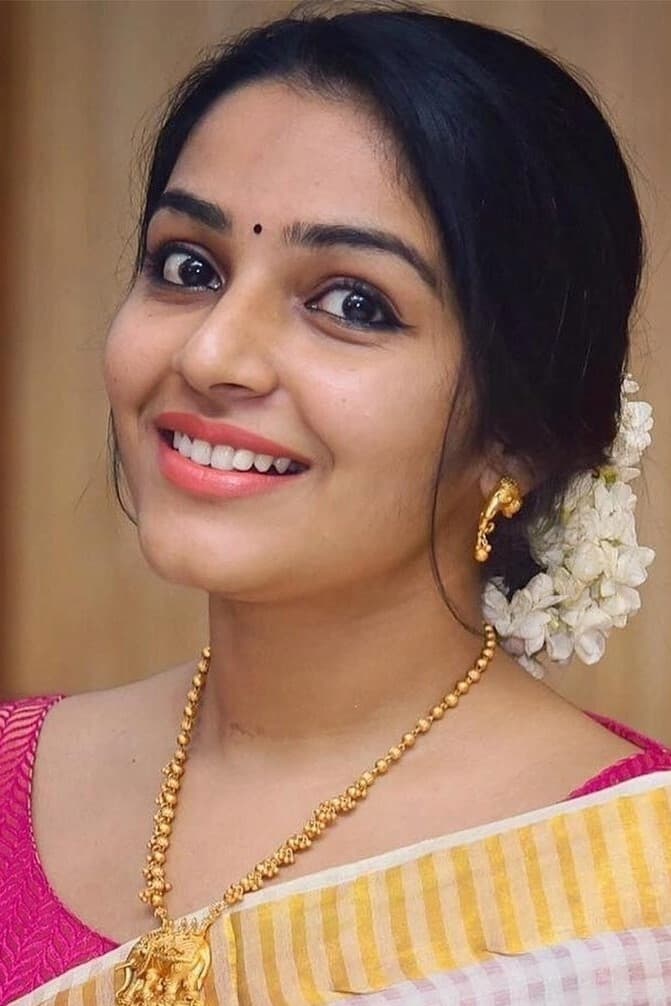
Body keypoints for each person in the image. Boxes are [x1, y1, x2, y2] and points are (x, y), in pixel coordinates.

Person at [1, 3, 670, 1003]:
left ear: (517, 433)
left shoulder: (631, 885)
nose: (210, 354)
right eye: (188, 267)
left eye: (352, 303)